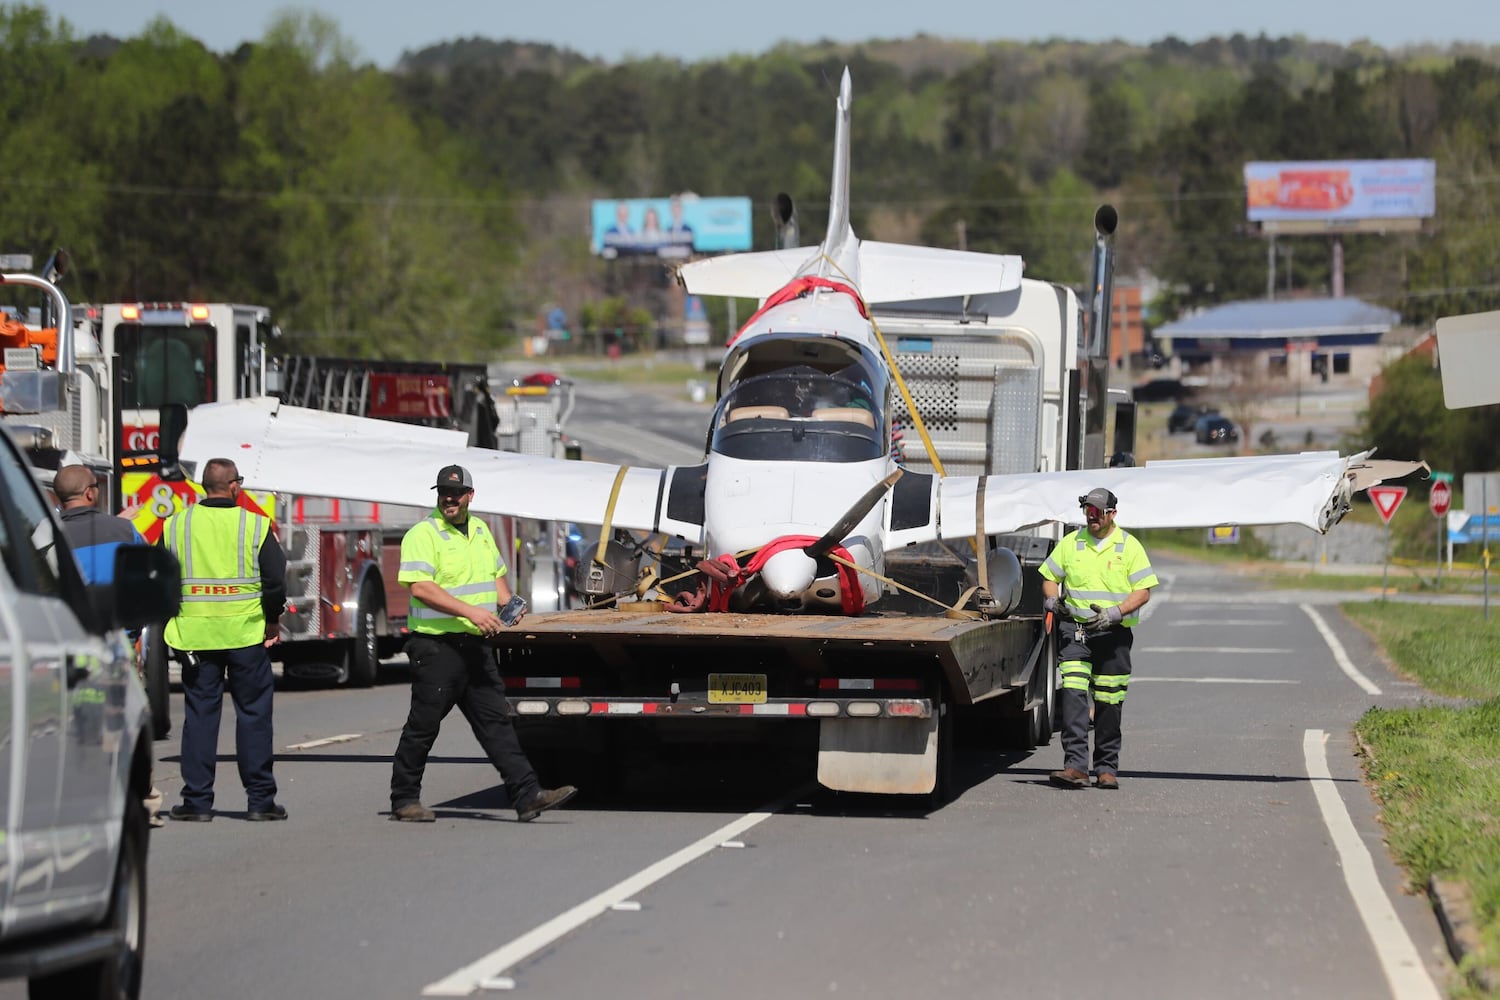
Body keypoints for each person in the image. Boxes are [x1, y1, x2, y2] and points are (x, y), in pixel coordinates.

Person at [389, 465, 577, 823]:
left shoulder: (480, 530)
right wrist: (472, 612)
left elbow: (496, 581)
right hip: (436, 647)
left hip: (475, 645)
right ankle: (404, 799)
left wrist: (509, 604)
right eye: (443, 491)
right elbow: (421, 588)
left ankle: (527, 795)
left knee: (496, 724)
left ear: (470, 496)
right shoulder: (423, 534)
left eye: (456, 493)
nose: (449, 498)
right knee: (423, 725)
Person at [160, 458, 288, 822]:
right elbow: (275, 579)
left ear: (204, 486)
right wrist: (272, 620)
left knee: (200, 716)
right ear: (233, 486)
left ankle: (197, 803)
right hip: (245, 634)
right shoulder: (254, 525)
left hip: (194, 636)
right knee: (253, 715)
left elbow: (160, 577)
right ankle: (260, 801)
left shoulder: (175, 526)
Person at [54, 465, 167, 827]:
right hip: (119, 646)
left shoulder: (45, 536)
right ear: (90, 493)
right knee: (129, 724)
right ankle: (142, 802)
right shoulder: (123, 530)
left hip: (66, 650)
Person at [1038, 487, 1159, 790]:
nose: (1091, 517)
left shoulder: (1128, 547)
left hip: (1113, 635)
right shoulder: (1071, 543)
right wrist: (1053, 602)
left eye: (1097, 512)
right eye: (1087, 512)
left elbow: (1143, 590)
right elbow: (1050, 577)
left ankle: (1106, 768)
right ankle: (1075, 767)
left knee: (1108, 702)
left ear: (1112, 514)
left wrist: (1115, 614)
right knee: (1074, 697)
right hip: (1076, 631)